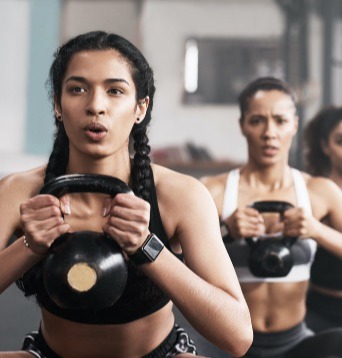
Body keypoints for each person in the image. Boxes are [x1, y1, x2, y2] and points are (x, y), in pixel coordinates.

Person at [0, 31, 253, 358]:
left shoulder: (179, 195)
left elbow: (237, 336)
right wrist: (29, 247)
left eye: (115, 91)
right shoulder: (19, 191)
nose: (95, 106)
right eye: (77, 89)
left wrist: (147, 248)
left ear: (140, 108)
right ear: (57, 105)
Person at [201, 77, 342, 357]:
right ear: (242, 125)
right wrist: (225, 231)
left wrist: (315, 229)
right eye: (257, 121)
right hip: (229, 343)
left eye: (280, 120)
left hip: (296, 342)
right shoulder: (213, 190)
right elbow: (175, 257)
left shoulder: (319, 191)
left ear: (294, 125)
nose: (269, 133)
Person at [303, 105, 342, 333]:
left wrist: (317, 230)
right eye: (340, 141)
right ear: (325, 146)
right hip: (318, 309)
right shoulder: (310, 192)